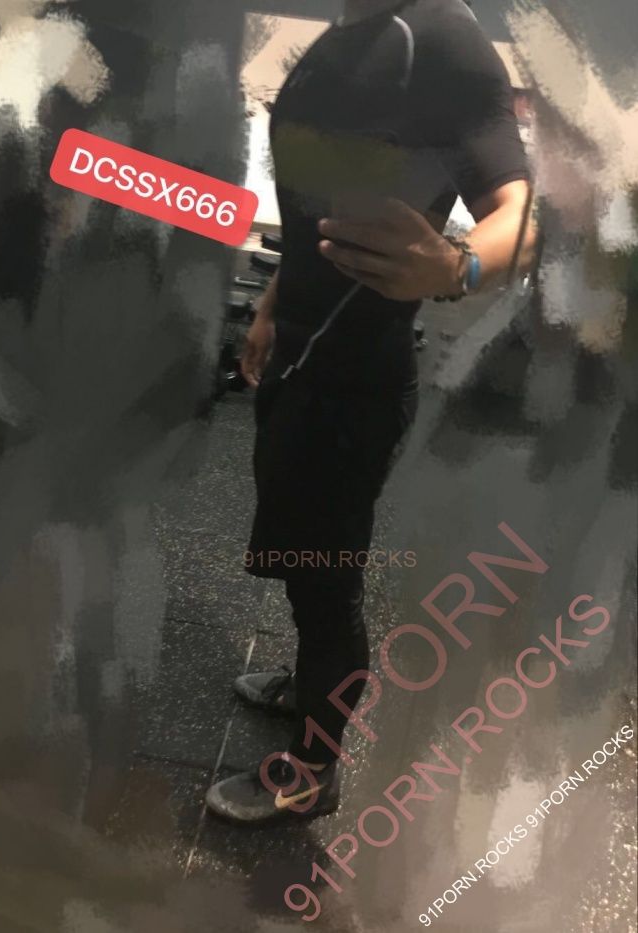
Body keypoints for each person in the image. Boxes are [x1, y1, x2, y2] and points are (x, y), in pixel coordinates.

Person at [206, 0, 537, 825]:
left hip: (354, 384)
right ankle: (309, 686)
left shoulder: (445, 40)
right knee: (300, 560)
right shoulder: (346, 35)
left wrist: (456, 265)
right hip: (299, 360)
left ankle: (312, 772)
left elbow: (524, 219)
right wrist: (271, 305)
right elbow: (317, 217)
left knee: (326, 584)